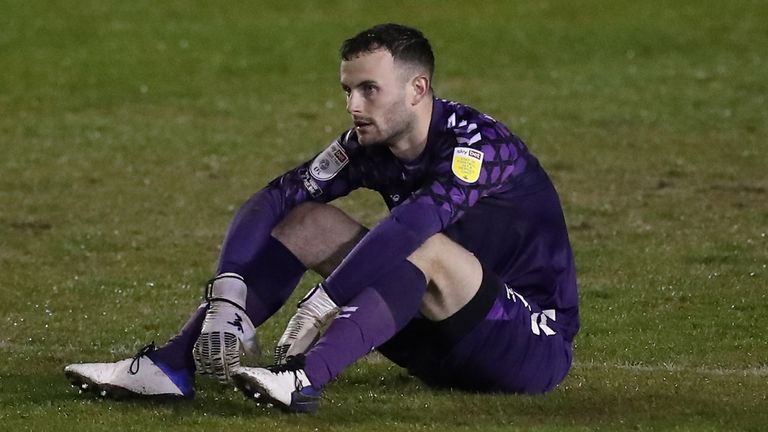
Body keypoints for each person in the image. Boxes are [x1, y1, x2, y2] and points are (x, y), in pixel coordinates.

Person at [64, 23, 579, 413]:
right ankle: (172, 365)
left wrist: (323, 302)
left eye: (368, 90)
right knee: (306, 219)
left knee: (425, 243)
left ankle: (302, 378)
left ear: (418, 89)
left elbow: (414, 226)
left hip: (527, 344)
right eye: (347, 91)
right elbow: (274, 198)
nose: (353, 106)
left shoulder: (479, 144)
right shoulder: (368, 144)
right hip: (435, 341)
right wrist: (227, 292)